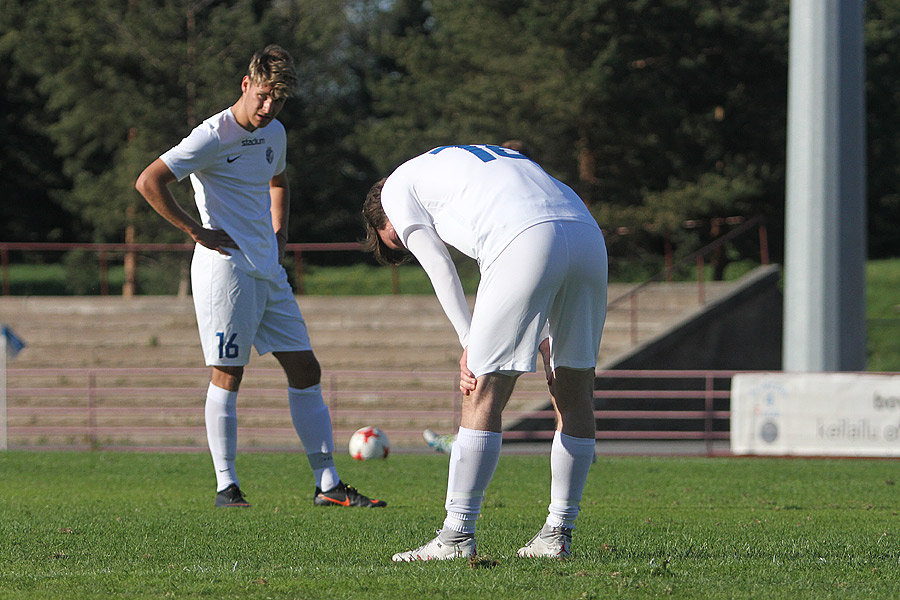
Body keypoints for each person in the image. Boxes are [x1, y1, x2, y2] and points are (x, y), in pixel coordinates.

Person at [135, 45, 385, 509]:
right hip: (225, 269)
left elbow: (278, 180)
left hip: (267, 269)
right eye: (264, 96)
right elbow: (149, 181)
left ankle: (328, 485)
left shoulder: (276, 134)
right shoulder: (210, 135)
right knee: (229, 373)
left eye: (280, 100)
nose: (269, 108)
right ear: (246, 85)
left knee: (306, 368)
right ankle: (226, 487)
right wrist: (196, 230)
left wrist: (280, 231)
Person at [362, 144, 607, 560]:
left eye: (396, 239)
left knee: (481, 391)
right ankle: (557, 535)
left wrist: (467, 340)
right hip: (586, 234)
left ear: (381, 214)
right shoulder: (460, 163)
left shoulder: (396, 189)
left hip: (523, 237)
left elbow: (440, 264)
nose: (404, 243)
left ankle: (456, 538)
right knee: (574, 390)